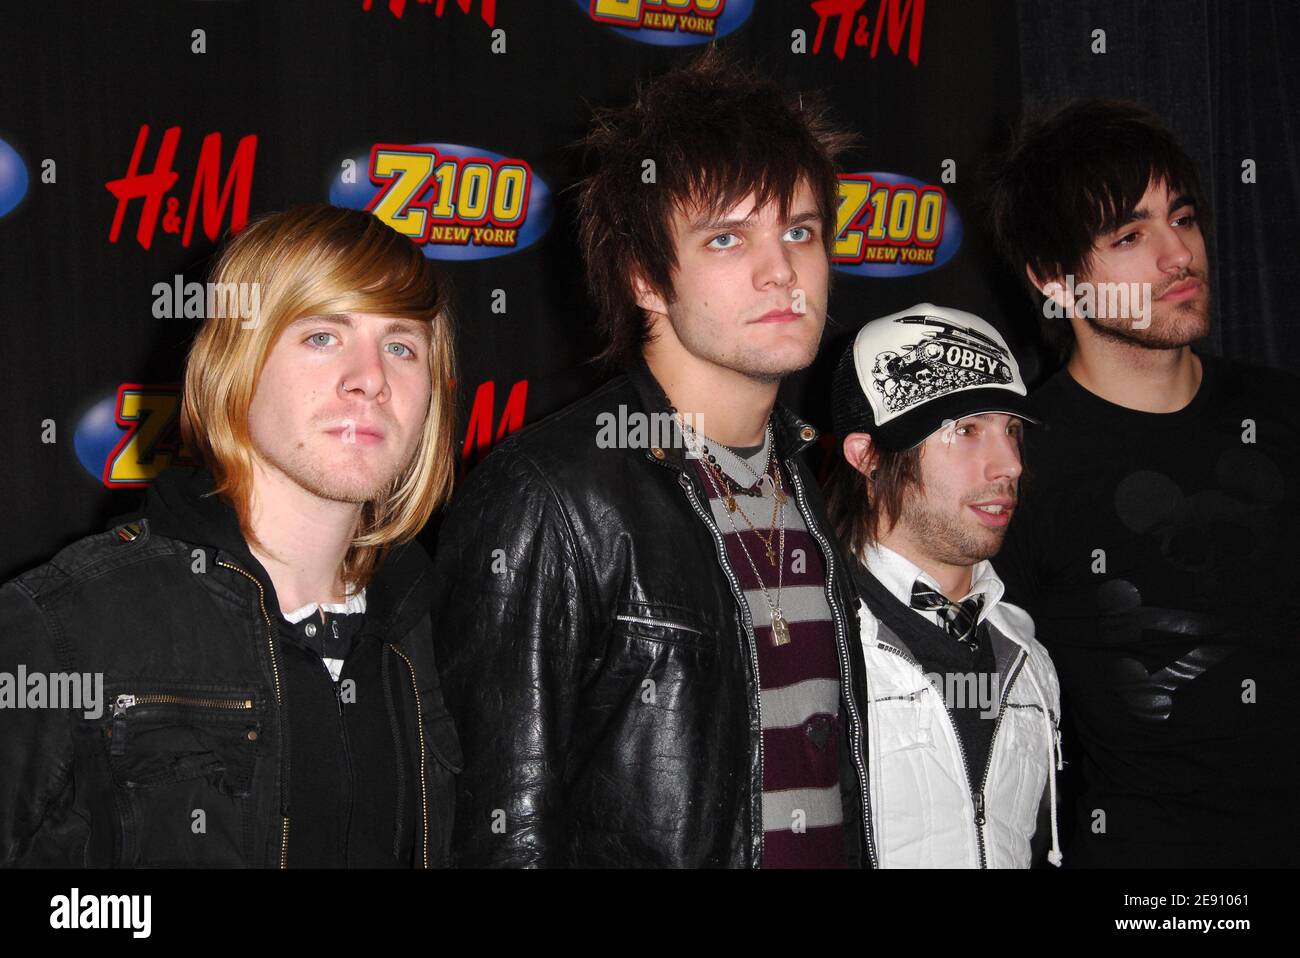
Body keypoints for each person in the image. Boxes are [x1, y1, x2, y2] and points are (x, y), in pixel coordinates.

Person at [430, 47, 871, 867]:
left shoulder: (807, 484)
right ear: (643, 277)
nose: (783, 273)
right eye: (728, 240)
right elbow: (498, 833)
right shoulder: (553, 497)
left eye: (801, 231)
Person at [0, 204, 462, 867]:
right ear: (236, 361)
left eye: (401, 345)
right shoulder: (71, 624)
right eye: (323, 335)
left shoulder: (445, 633)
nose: (371, 379)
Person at [986, 99, 1300, 866]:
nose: (1179, 255)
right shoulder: (1017, 465)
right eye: (1130, 235)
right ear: (1053, 282)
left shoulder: (1285, 413)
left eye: (1183, 218)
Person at [825, 303, 1062, 868]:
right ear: (868, 456)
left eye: (1011, 430)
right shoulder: (814, 642)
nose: (1008, 464)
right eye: (966, 430)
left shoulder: (1027, 654)